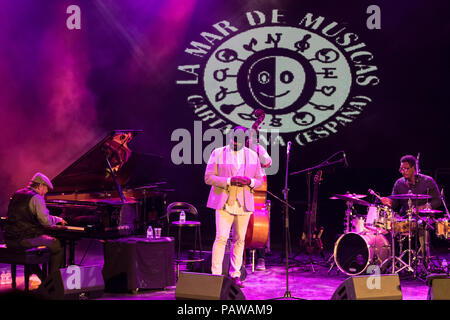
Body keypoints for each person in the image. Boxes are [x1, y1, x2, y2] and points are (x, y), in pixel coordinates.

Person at [205, 126, 264, 287]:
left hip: (244, 202)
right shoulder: (218, 153)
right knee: (221, 238)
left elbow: (260, 179)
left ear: (245, 140)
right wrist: (229, 181)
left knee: (239, 239)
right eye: (233, 139)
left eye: (238, 140)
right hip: (224, 201)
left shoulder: (252, 156)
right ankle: (215, 275)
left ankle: (235, 274)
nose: (235, 143)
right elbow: (208, 177)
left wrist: (250, 182)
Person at [380, 155, 441, 265]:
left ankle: (425, 261)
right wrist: (389, 202)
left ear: (414, 168)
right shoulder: (399, 183)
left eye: (406, 168)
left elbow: (438, 201)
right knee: (388, 226)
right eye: (401, 169)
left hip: (423, 218)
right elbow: (395, 203)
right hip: (405, 219)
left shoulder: (428, 181)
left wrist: (423, 208)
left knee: (423, 225)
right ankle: (392, 262)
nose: (403, 171)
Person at [4, 172, 67, 278]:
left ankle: (42, 278)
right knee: (57, 245)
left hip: (9, 238)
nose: (46, 193)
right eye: (46, 189)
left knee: (36, 251)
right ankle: (52, 281)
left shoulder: (17, 194)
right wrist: (58, 219)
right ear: (40, 186)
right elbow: (45, 221)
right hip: (23, 239)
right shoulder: (36, 197)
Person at [245, 135, 272, 271]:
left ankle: (261, 258)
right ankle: (245, 258)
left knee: (260, 227)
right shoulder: (239, 151)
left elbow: (268, 162)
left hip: (257, 192)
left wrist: (256, 150)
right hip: (242, 192)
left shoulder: (259, 148)